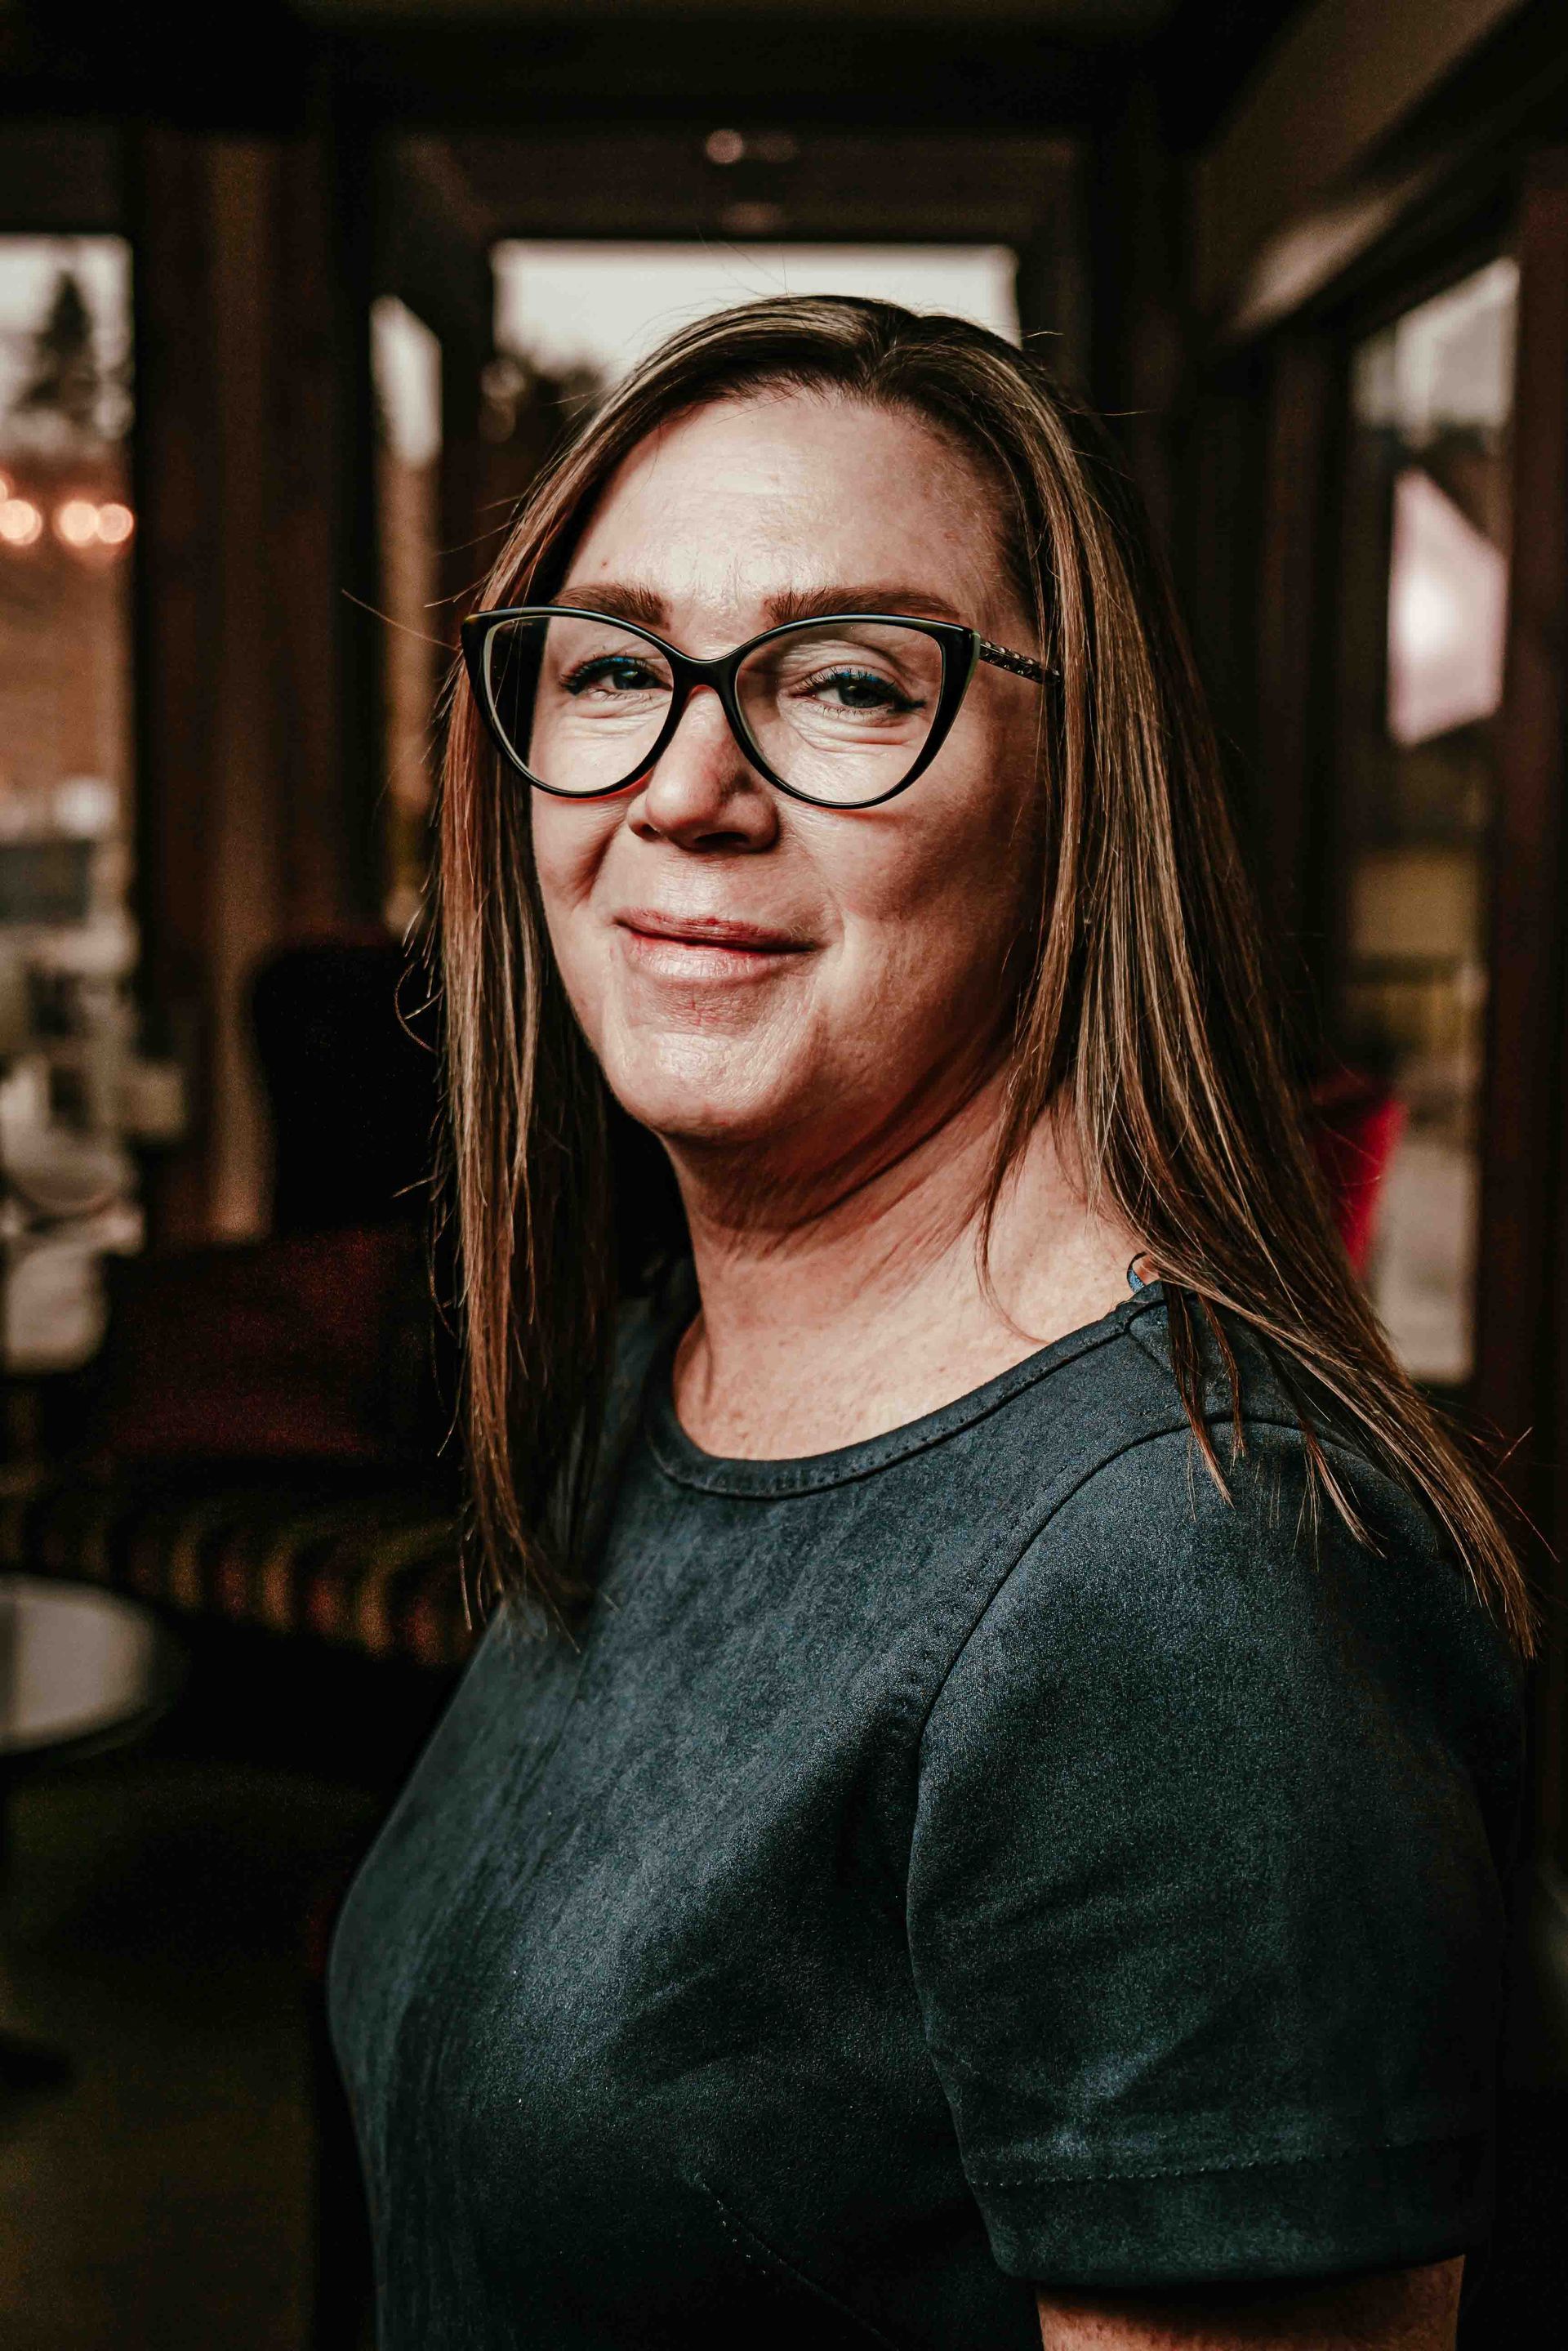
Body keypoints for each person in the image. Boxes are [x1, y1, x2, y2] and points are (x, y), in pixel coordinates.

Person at [328, 297, 1528, 2350]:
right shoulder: (655, 1372)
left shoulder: (1184, 1580)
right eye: (612, 666)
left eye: (848, 680)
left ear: (1075, 792)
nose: (685, 787)